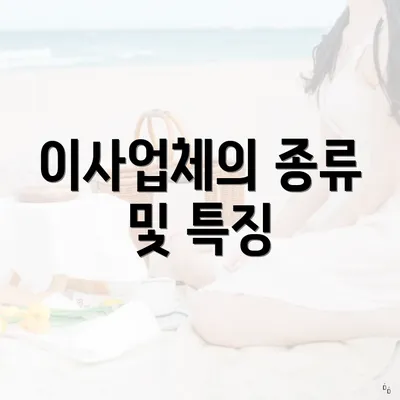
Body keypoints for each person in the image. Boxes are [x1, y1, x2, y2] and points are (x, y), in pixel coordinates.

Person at [184, 0, 400, 347]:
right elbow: (327, 170)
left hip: (384, 231)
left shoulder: (389, 34)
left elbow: (386, 177)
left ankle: (385, 321)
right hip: (352, 221)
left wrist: (317, 237)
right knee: (195, 261)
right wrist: (270, 238)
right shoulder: (342, 38)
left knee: (212, 312)